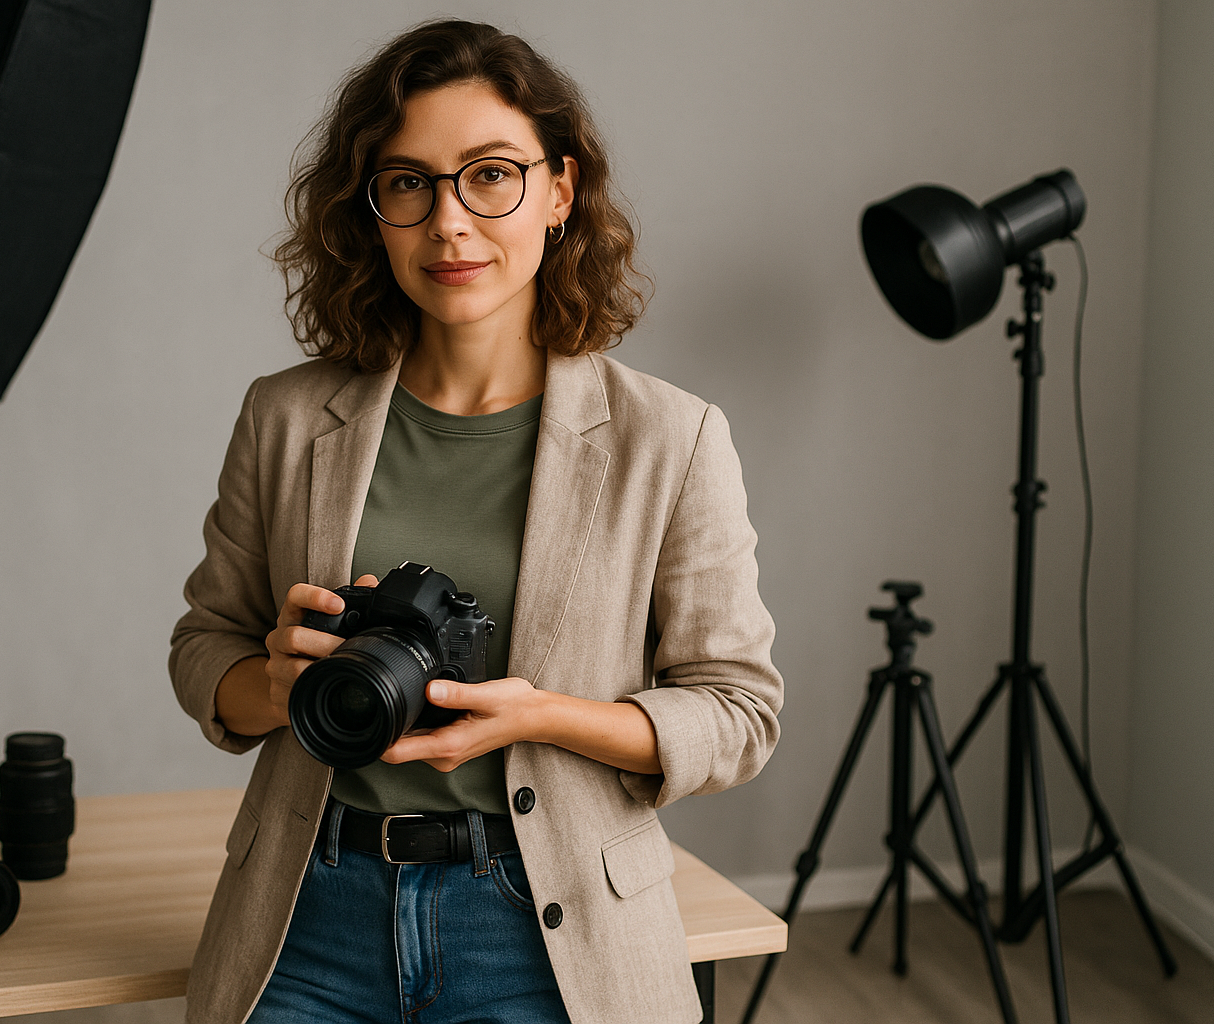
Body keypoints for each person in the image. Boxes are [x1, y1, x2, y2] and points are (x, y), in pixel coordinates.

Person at [169, 19, 782, 1024]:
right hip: (308, 911)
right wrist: (273, 687)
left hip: (547, 929)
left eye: (490, 174)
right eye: (408, 182)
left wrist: (542, 716)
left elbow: (739, 713)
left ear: (559, 191)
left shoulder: (670, 438)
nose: (449, 222)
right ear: (370, 211)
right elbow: (205, 649)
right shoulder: (283, 416)